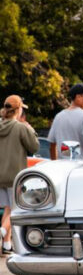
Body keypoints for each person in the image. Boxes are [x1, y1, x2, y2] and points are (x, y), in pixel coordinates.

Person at [0, 95, 39, 254]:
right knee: (15, 211)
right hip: (14, 176)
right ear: (18, 109)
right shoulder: (21, 127)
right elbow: (34, 147)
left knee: (8, 209)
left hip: (0, 175)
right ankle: (2, 232)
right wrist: (30, 129)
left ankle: (7, 244)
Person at [48, 83, 83, 160]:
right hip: (80, 166)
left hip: (62, 166)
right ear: (78, 97)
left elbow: (52, 145)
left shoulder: (58, 116)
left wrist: (55, 162)